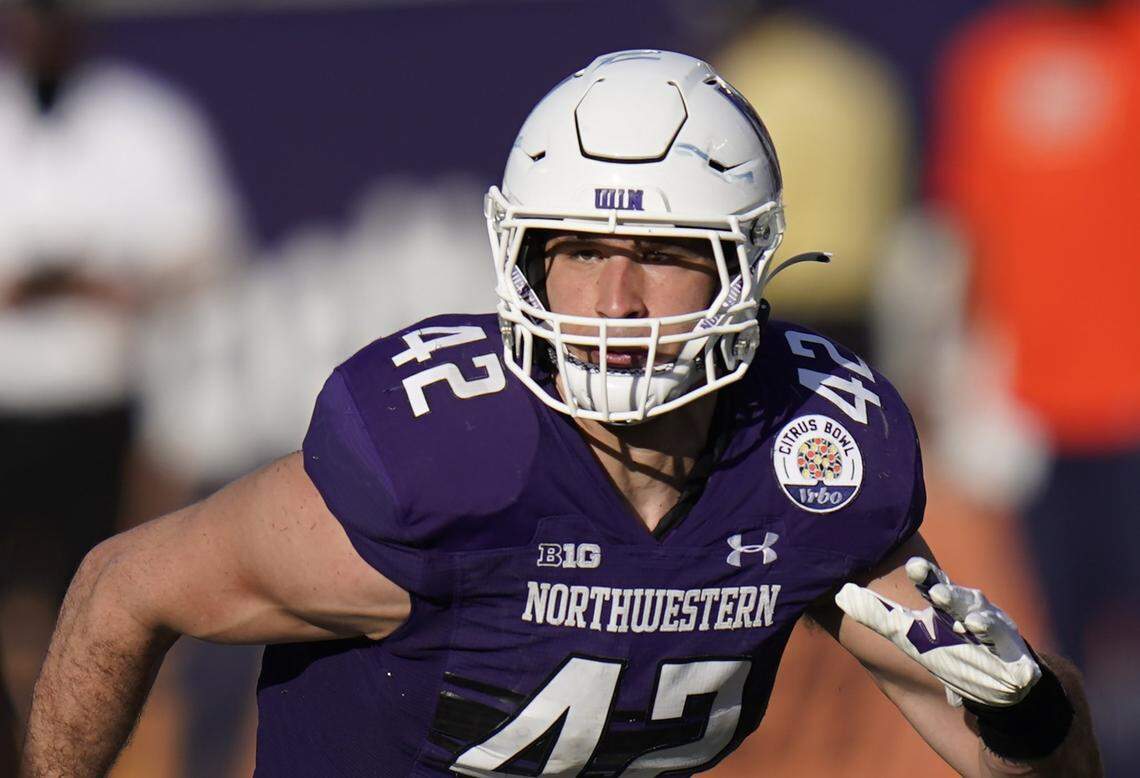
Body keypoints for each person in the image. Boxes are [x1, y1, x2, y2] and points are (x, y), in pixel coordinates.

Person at [22, 51, 1098, 777]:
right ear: (524, 254)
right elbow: (121, 589)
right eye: (580, 250)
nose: (613, 303)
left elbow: (1027, 760)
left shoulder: (804, 454)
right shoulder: (437, 460)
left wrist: (1033, 712)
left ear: (747, 265)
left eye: (666, 255)